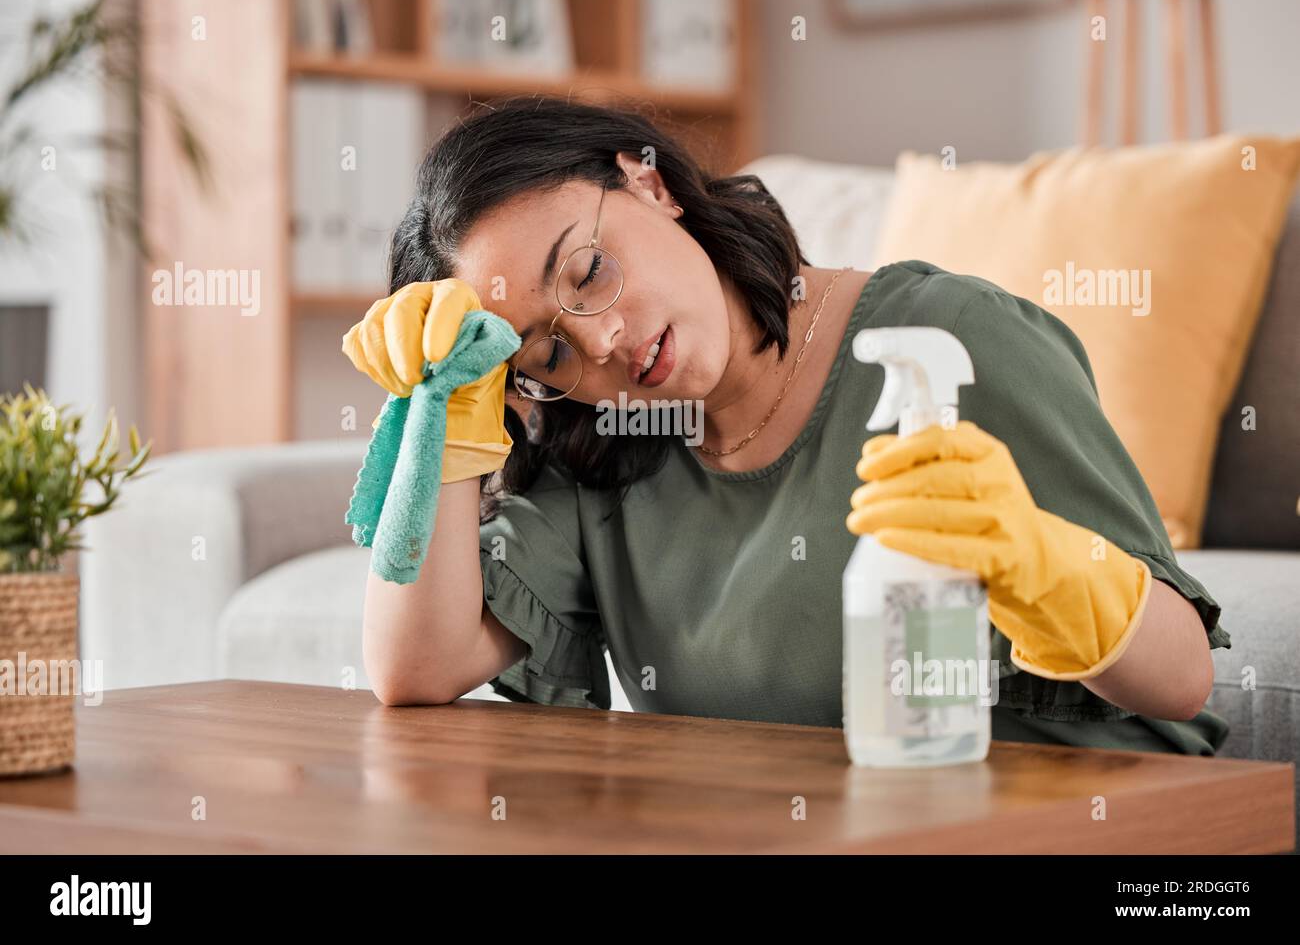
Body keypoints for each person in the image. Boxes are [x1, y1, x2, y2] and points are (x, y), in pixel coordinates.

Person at [342, 96, 1230, 756]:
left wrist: (1041, 563)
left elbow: (1183, 675)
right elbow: (414, 669)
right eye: (543, 352)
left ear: (648, 182)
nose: (601, 339)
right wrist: (442, 400)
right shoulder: (599, 449)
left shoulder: (952, 339)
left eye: (587, 268)